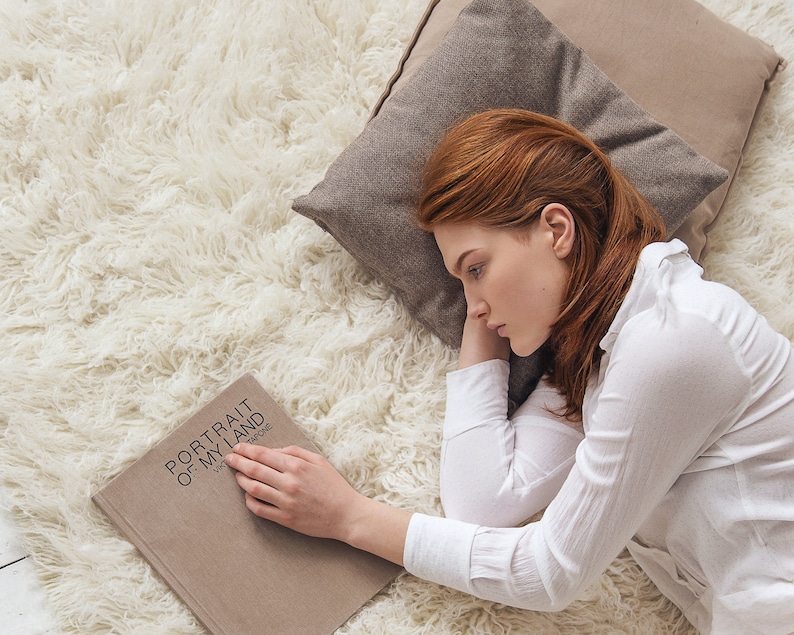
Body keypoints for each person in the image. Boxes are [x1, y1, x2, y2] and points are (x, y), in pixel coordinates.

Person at [225, 109, 794, 634]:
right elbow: (483, 502)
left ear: (556, 229)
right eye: (459, 280)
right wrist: (487, 316)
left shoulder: (672, 340)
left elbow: (550, 573)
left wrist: (350, 517)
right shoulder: (600, 358)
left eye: (476, 267)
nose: (469, 300)